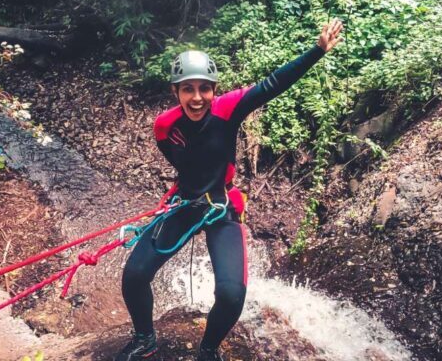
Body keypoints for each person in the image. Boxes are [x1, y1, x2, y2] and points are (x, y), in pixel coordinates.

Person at [116, 19, 343, 361]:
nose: (197, 97)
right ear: (176, 92)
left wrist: (317, 51)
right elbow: (184, 163)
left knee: (232, 293)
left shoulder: (227, 109)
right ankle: (145, 339)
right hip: (182, 205)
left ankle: (208, 350)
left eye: (204, 88)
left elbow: (272, 84)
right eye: (188, 89)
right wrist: (187, 192)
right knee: (135, 274)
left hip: (221, 208)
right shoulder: (164, 126)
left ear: (213, 89)